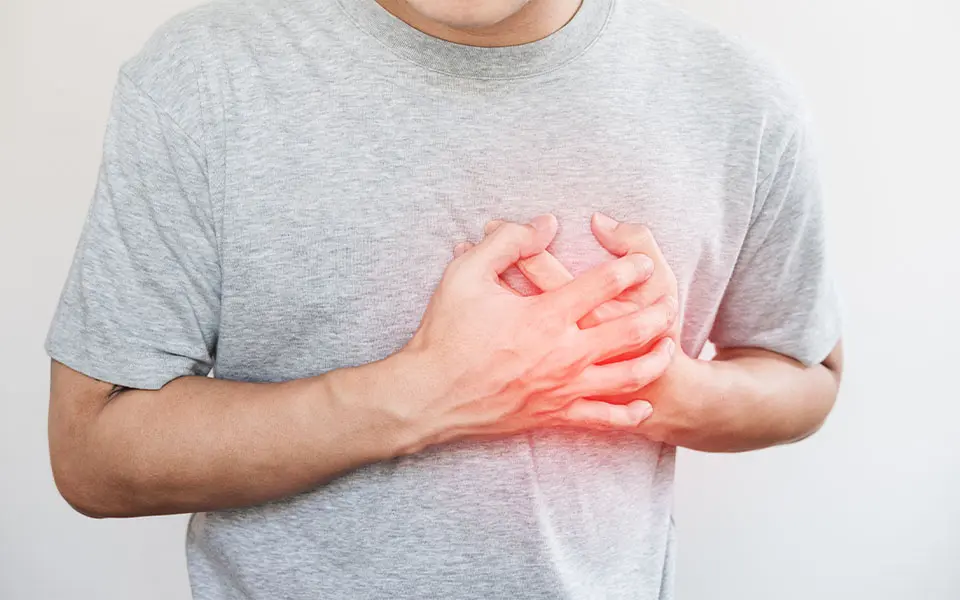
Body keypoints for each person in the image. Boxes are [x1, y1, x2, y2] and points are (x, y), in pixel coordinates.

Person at [43, 0, 844, 598]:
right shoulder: (202, 79)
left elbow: (806, 379)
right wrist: (420, 398)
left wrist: (652, 387)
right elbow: (92, 457)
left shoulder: (741, 100)